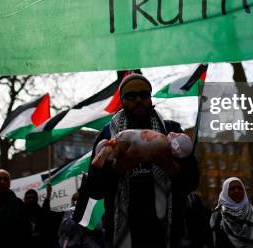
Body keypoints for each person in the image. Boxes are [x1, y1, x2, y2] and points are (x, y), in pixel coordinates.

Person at [84, 73, 200, 248]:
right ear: (122, 100)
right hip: (122, 232)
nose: (138, 100)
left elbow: (192, 181)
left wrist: (169, 166)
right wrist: (117, 169)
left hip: (166, 232)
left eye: (144, 95)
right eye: (131, 96)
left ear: (150, 97)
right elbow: (94, 189)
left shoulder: (172, 130)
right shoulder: (108, 135)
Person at [210, 177, 253, 248]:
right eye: (232, 188)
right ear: (225, 192)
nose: (236, 190)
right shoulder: (217, 216)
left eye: (240, 188)